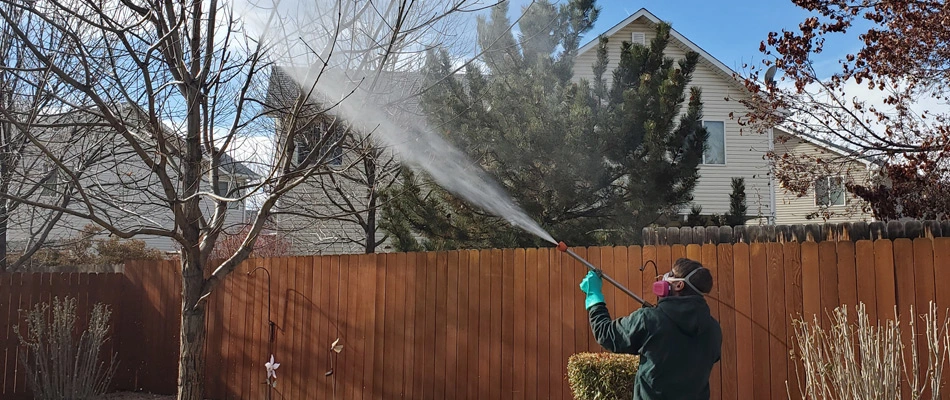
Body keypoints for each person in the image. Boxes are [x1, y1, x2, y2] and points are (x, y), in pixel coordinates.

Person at [579, 258, 722, 400]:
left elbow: (606, 334)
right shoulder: (714, 329)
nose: (665, 277)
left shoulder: (649, 320)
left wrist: (594, 297)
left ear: (679, 285)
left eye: (671, 274)